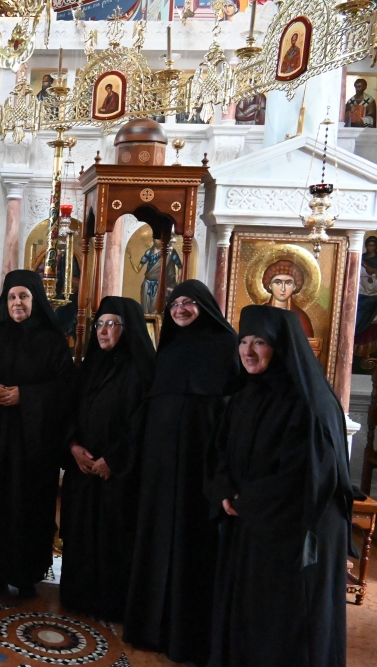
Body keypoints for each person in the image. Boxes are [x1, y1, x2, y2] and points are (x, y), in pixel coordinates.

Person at [206, 305, 354, 667]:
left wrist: (247, 502)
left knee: (285, 624)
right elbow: (219, 450)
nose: (248, 351)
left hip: (296, 528)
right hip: (253, 521)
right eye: (244, 341)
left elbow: (306, 473)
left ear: (282, 346)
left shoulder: (309, 402)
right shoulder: (244, 394)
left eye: (260, 342)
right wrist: (224, 490)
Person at [123, 280, 240, 665]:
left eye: (190, 303)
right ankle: (149, 627)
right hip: (159, 470)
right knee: (156, 541)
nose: (181, 309)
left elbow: (232, 415)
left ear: (206, 307)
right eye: (176, 303)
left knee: (193, 546)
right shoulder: (168, 348)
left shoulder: (227, 348)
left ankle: (187, 636)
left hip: (199, 470)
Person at [0, 270, 75, 597]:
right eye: (12, 297)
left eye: (23, 296)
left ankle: (26, 574)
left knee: (29, 504)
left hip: (34, 443)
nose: (17, 303)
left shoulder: (53, 341)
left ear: (34, 300)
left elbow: (65, 389)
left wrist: (27, 395)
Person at [60, 297, 155, 621]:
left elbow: (143, 423)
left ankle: (110, 603)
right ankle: (77, 595)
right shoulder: (91, 364)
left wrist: (113, 459)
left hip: (116, 475)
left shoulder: (142, 371)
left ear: (127, 329)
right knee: (81, 533)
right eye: (100, 324)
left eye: (111, 324)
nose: (103, 331)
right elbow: (70, 409)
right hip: (83, 469)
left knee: (113, 537)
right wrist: (72, 446)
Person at [262, 259, 314, 338]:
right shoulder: (260, 314)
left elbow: (307, 346)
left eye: (288, 283)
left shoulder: (300, 317)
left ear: (294, 287)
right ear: (269, 285)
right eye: (278, 282)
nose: (283, 289)